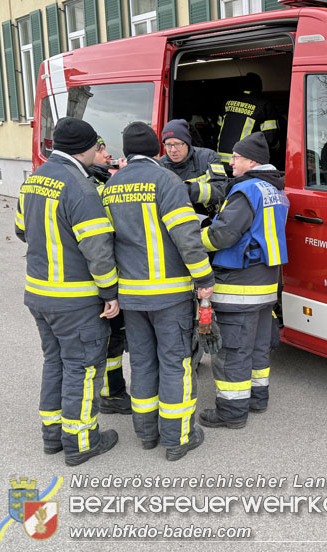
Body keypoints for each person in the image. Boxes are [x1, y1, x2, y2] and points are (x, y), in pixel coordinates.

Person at [102, 121, 214, 461]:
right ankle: (178, 437)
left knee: (143, 363)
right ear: (157, 148)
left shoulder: (111, 186)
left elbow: (104, 244)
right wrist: (204, 279)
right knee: (175, 363)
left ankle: (147, 433)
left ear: (126, 151)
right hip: (169, 297)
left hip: (131, 298)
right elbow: (187, 237)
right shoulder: (167, 181)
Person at [15, 117, 120, 466]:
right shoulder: (81, 187)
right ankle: (80, 441)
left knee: (55, 361)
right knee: (84, 367)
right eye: (98, 146)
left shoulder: (34, 179)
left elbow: (20, 230)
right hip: (74, 299)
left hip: (38, 293)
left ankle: (53, 434)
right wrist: (109, 292)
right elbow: (98, 250)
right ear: (86, 148)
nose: (99, 152)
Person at [199, 132, 289, 427]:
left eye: (236, 157)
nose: (231, 162)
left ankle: (231, 413)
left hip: (239, 285)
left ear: (251, 161)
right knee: (258, 347)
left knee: (233, 351)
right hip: (266, 285)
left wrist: (197, 238)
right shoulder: (275, 190)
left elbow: (223, 235)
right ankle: (257, 400)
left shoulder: (246, 190)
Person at [85, 137, 131, 415]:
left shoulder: (99, 181)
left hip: (100, 277)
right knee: (108, 340)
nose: (107, 153)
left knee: (113, 341)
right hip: (101, 280)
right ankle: (109, 396)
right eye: (101, 149)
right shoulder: (93, 188)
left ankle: (112, 391)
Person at [159, 119, 227, 215]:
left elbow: (221, 191)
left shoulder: (208, 157)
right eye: (168, 145)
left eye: (177, 144)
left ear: (187, 143)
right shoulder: (159, 166)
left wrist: (188, 189)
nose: (173, 150)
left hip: (206, 219)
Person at [216, 72, 280, 170]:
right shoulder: (263, 104)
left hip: (221, 161)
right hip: (244, 162)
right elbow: (270, 137)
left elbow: (218, 127)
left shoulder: (227, 101)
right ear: (259, 86)